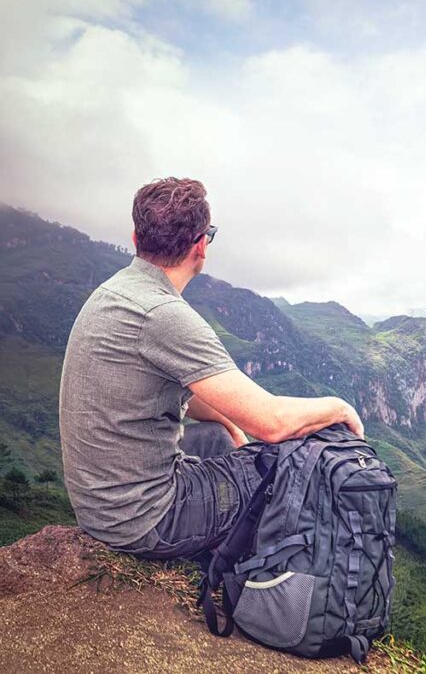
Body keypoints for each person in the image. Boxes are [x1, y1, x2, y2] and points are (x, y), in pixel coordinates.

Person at [58, 177, 364, 561]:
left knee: (221, 435)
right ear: (201, 246)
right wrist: (340, 408)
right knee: (284, 467)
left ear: (136, 239)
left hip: (102, 503)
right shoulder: (163, 315)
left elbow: (182, 395)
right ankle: (265, 593)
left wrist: (232, 421)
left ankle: (222, 559)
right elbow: (271, 423)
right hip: (144, 520)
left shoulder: (114, 292)